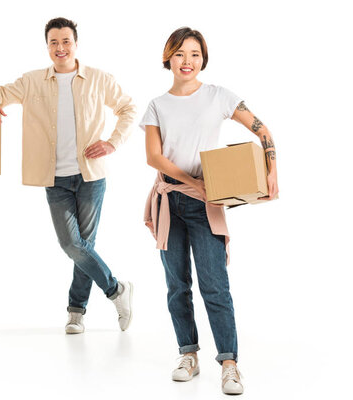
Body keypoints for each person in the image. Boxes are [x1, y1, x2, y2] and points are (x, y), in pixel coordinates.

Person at [140, 27, 278, 395]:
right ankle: (188, 354)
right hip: (169, 200)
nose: (188, 61)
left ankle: (229, 364)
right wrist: (193, 181)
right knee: (177, 286)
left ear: (203, 58)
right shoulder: (157, 105)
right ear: (168, 56)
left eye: (195, 54)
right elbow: (154, 156)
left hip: (206, 205)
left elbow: (261, 128)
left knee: (215, 285)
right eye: (181, 54)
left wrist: (271, 167)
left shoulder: (218, 96)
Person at [0, 17, 137, 334]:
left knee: (84, 245)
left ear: (76, 44)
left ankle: (76, 311)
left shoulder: (97, 79)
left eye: (66, 41)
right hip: (55, 179)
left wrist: (112, 142)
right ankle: (116, 290)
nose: (60, 48)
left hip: (91, 176)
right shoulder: (33, 81)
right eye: (54, 42)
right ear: (47, 47)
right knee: (72, 244)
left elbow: (128, 108)